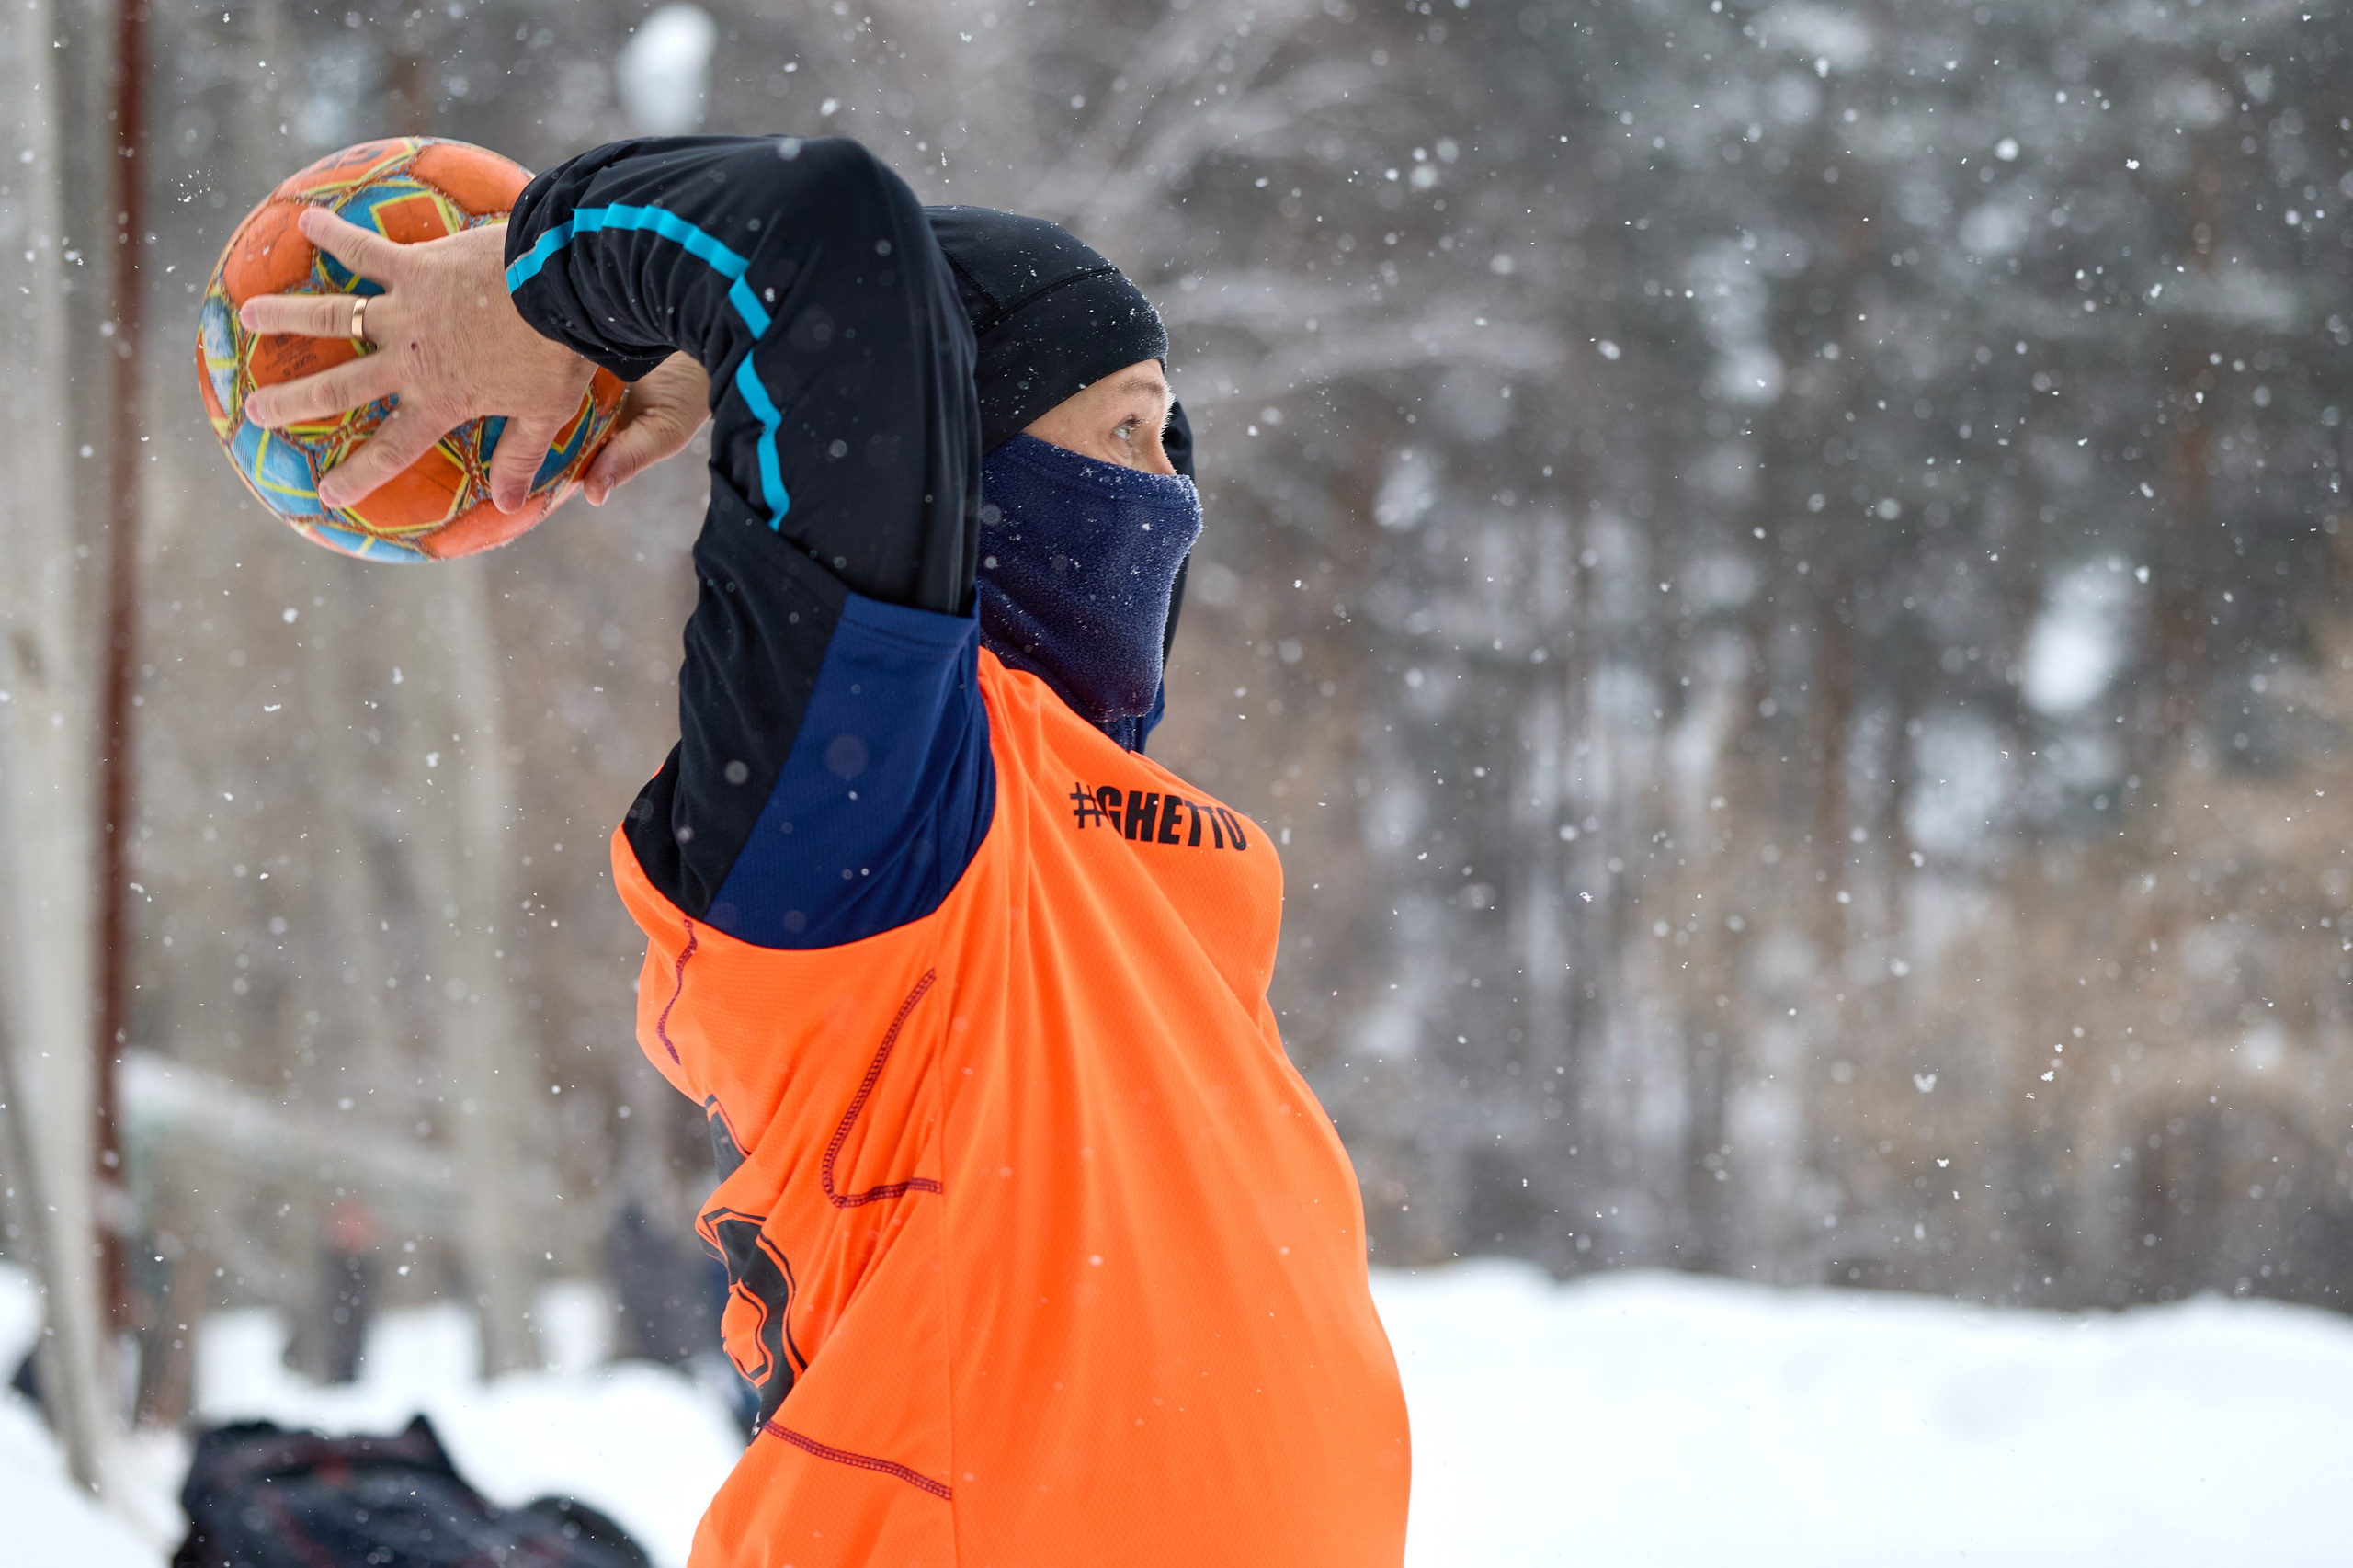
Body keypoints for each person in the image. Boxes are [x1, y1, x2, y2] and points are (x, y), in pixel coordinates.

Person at [237, 134, 1409, 1567]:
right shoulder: (870, 811)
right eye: (1126, 434)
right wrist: (547, 291)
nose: (1170, 498)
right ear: (960, 465)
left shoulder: (1150, 864)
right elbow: (830, 243)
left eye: (1173, 443)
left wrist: (742, 361)